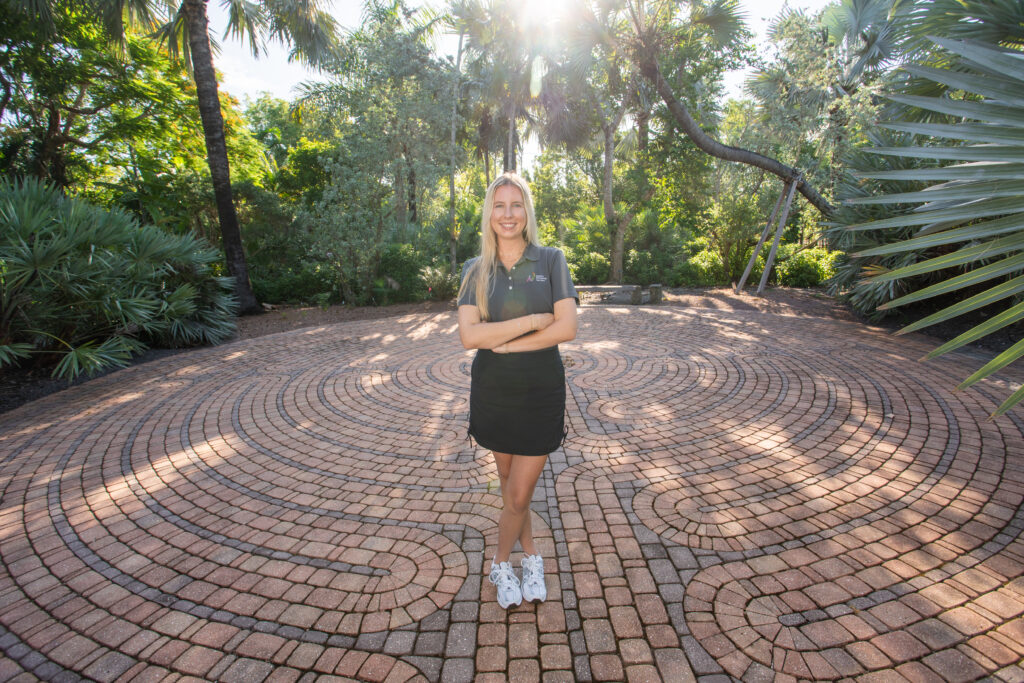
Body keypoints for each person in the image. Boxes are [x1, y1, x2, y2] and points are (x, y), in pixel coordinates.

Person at [457, 172, 578, 609]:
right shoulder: (475, 270)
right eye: (499, 205)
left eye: (516, 205)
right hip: (493, 394)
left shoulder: (550, 260)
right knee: (510, 487)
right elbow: (470, 337)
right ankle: (532, 557)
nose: (508, 214)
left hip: (541, 393)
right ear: (489, 214)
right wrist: (530, 322)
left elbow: (567, 327)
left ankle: (499, 562)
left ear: (527, 212)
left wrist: (502, 342)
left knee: (520, 494)